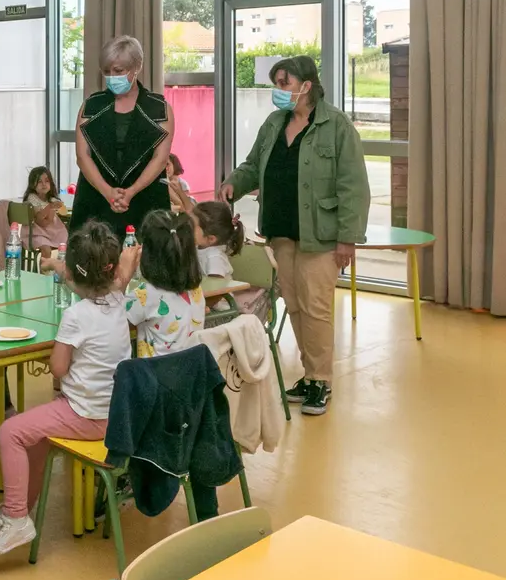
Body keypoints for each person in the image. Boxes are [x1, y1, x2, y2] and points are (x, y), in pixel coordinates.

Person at [219, 55, 370, 416]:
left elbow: (354, 187)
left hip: (321, 235)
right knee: (297, 305)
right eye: (276, 83)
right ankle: (310, 374)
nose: (278, 90)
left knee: (316, 307)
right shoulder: (275, 123)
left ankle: (320, 380)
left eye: (284, 83)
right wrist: (234, 183)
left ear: (306, 85)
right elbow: (253, 165)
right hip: (281, 232)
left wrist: (347, 238)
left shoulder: (337, 126)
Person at [0, 221, 131, 556]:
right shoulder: (119, 297)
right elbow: (114, 274)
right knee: (34, 438)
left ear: (72, 274)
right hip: (115, 413)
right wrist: (58, 265)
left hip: (85, 415)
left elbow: (58, 369)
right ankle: (17, 509)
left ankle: (17, 518)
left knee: (10, 432)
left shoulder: (76, 315)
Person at [68, 35, 175, 238]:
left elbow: (160, 159)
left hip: (146, 199)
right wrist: (108, 192)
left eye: (118, 71)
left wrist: (131, 191)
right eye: (106, 72)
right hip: (96, 198)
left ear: (137, 67)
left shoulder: (160, 108)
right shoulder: (91, 106)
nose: (112, 77)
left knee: (149, 253)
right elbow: (82, 156)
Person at [125, 209, 206, 358]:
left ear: (147, 255)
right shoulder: (196, 290)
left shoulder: (145, 295)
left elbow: (114, 319)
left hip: (155, 372)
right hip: (192, 370)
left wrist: (125, 275)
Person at [22, 165, 68, 260]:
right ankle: (44, 270)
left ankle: (60, 267)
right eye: (39, 181)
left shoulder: (52, 200)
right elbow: (40, 221)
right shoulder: (32, 198)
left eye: (47, 181)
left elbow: (48, 221)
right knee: (46, 250)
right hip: (35, 234)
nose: (44, 184)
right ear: (32, 184)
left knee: (70, 244)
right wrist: (50, 207)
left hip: (51, 234)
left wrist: (52, 208)